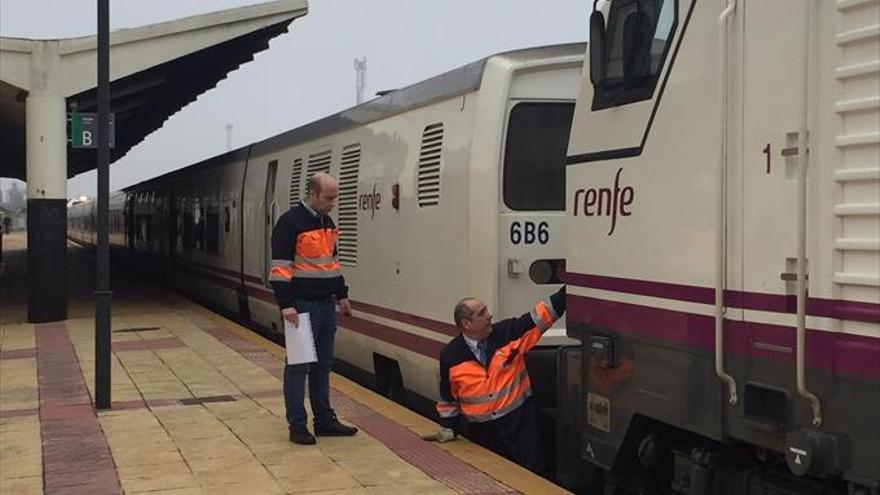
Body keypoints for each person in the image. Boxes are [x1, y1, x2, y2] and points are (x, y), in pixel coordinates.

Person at [423, 286, 566, 474]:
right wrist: (448, 429)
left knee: (533, 477)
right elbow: (448, 398)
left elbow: (541, 316)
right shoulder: (450, 356)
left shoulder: (507, 333)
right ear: (467, 324)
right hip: (484, 437)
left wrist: (569, 289)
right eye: (482, 313)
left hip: (521, 429)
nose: (489, 315)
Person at [270, 172, 358, 445]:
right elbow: (280, 268)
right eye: (329, 197)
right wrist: (286, 305)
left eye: (335, 197)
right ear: (313, 194)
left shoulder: (327, 223)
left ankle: (324, 419)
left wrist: (341, 295)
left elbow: (332, 263)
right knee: (298, 368)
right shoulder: (289, 223)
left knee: (323, 365)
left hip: (325, 305)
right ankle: (297, 424)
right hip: (301, 306)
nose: (333, 203)